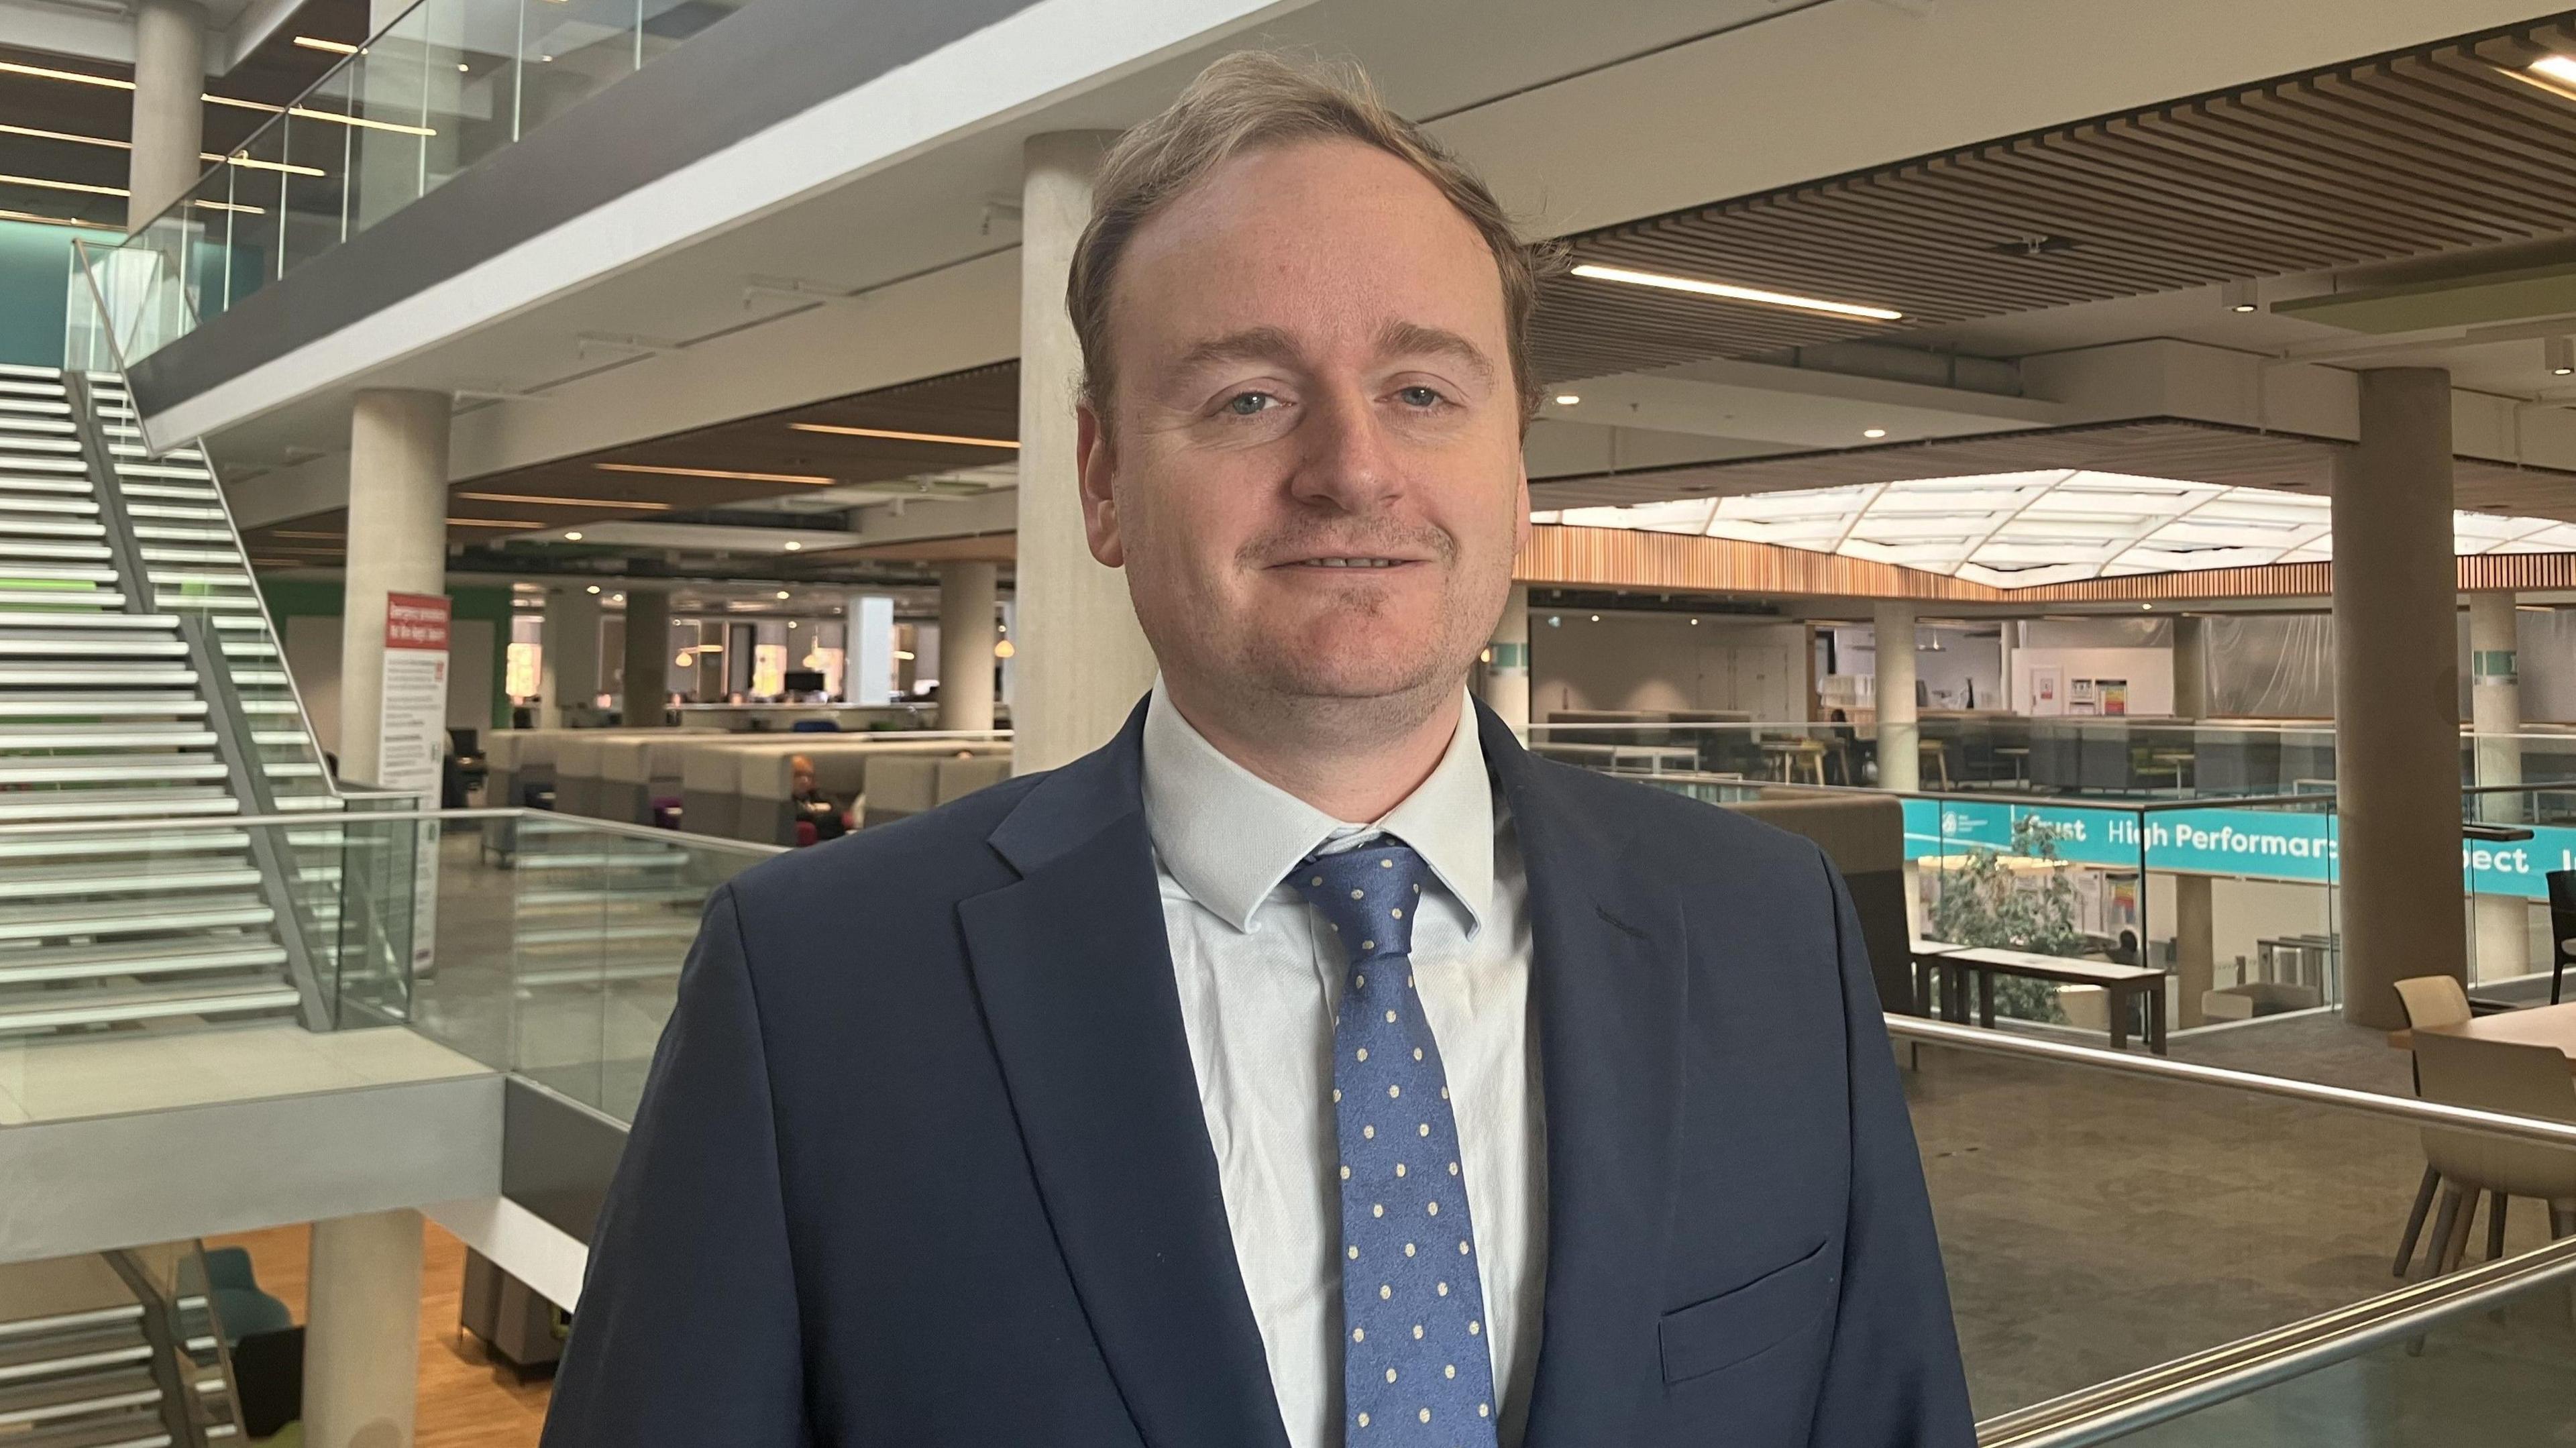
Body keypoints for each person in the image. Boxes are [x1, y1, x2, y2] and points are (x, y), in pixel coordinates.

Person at [543, 53, 1970, 1448]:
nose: (1352, 466)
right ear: (1103, 480)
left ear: (1518, 466)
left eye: (1423, 389)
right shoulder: (813, 989)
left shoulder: (1764, 924)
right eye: (1247, 396)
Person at [786, 753, 846, 842]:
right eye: (798, 775)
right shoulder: (782, 799)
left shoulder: (818, 794)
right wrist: (817, 810)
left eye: (809, 775)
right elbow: (794, 815)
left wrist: (812, 811)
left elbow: (838, 812)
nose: (805, 780)